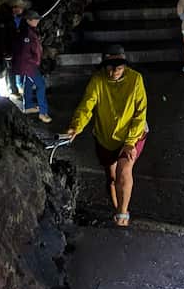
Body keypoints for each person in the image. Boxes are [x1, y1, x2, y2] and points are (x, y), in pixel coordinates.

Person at [63, 45, 148, 227]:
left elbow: (140, 112)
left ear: (125, 66)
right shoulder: (98, 80)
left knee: (124, 169)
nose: (115, 71)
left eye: (119, 66)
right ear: (104, 66)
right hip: (105, 134)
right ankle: (116, 208)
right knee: (111, 177)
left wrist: (130, 142)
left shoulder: (135, 80)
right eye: (110, 66)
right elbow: (87, 105)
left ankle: (122, 214)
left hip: (132, 133)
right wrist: (75, 126)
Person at [11, 10, 51, 123]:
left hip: (27, 64)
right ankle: (43, 113)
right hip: (29, 64)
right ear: (28, 20)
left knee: (28, 82)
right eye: (35, 19)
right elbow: (25, 51)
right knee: (41, 85)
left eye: (37, 18)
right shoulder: (26, 33)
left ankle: (28, 106)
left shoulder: (28, 30)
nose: (37, 20)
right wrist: (34, 62)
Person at [0, 0, 27, 98]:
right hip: (10, 49)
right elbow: (4, 37)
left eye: (19, 7)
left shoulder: (19, 20)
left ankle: (18, 88)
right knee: (11, 69)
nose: (18, 9)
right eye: (15, 7)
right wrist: (5, 51)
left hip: (17, 48)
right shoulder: (7, 21)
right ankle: (13, 90)